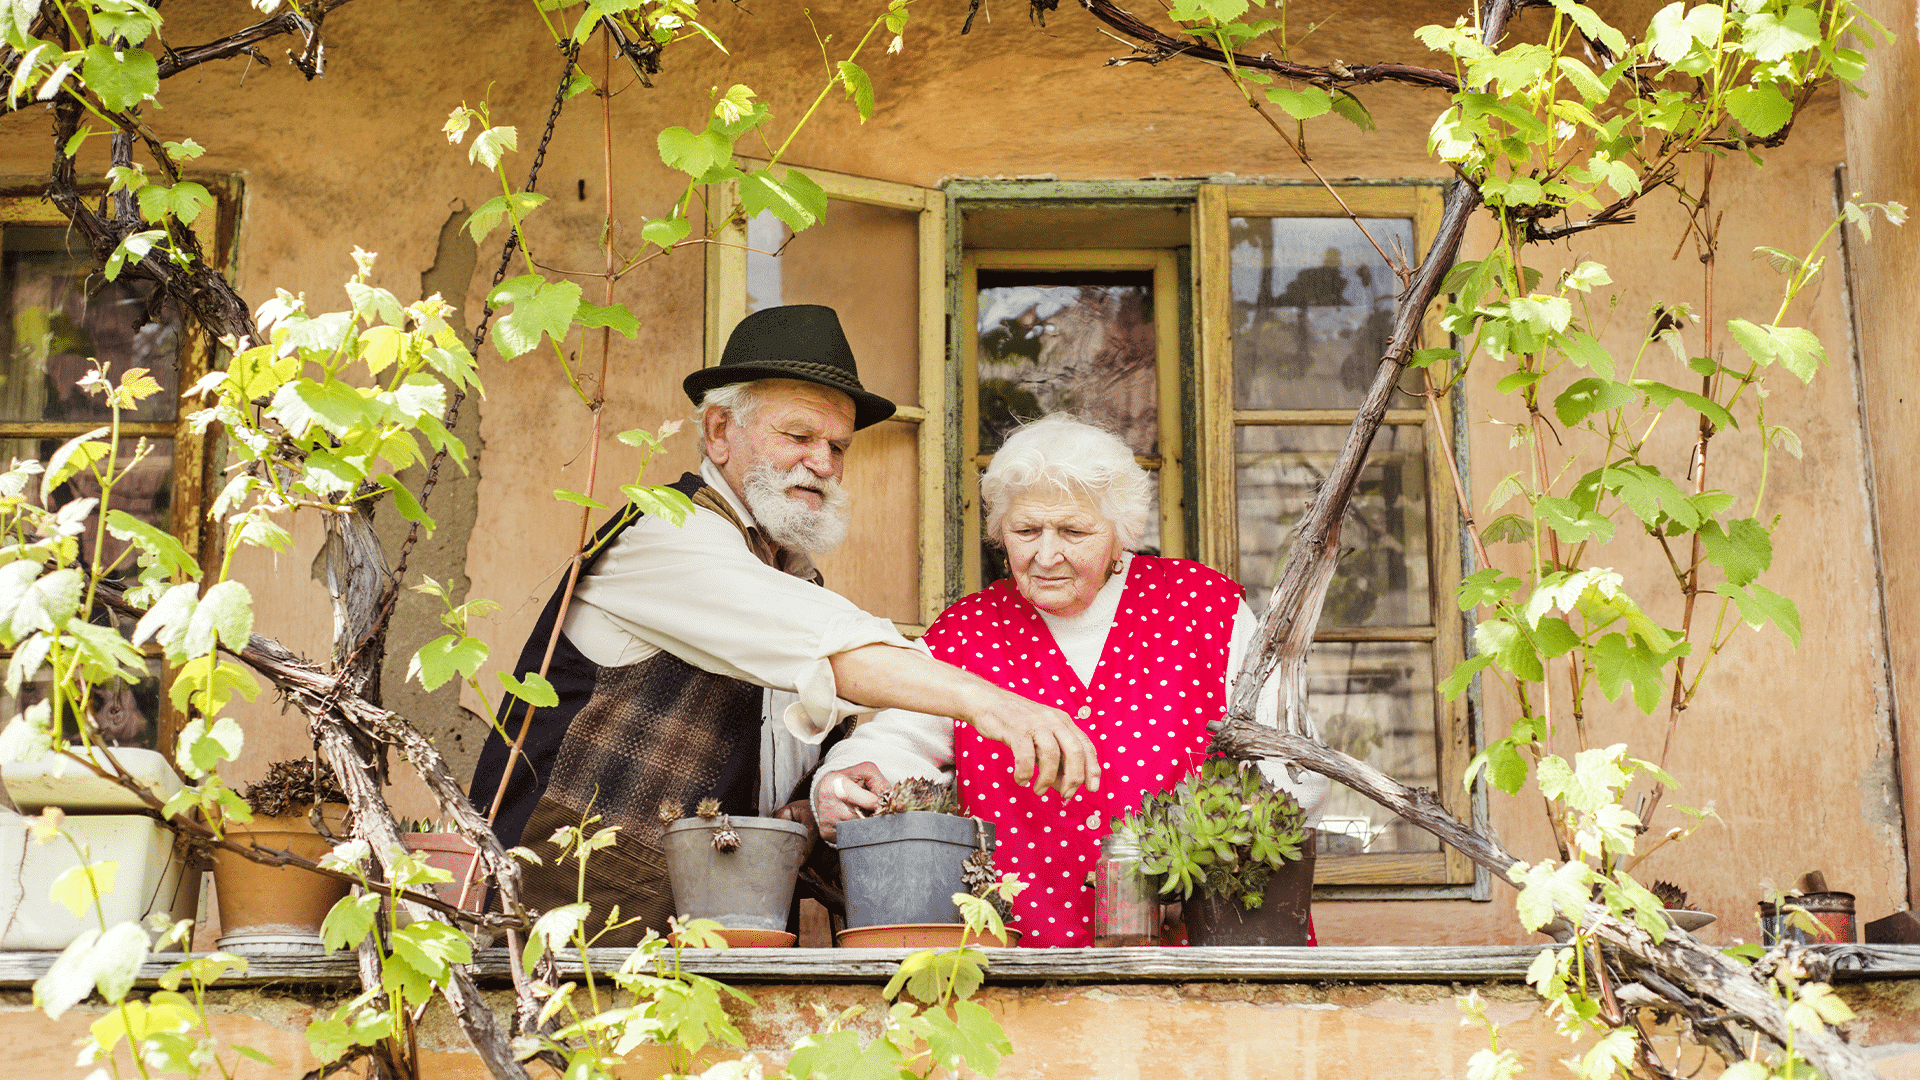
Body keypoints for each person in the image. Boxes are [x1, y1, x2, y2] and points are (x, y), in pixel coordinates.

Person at [468, 306, 1099, 942]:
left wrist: (816, 800)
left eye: (837, 447)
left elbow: (767, 751)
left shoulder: (788, 576)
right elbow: (838, 645)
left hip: (698, 948)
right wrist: (991, 703)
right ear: (719, 431)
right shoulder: (668, 533)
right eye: (798, 436)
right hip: (564, 924)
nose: (821, 462)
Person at [812, 414, 1328, 947]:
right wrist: (846, 782)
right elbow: (896, 746)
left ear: (1120, 535)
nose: (1046, 554)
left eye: (1074, 532)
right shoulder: (967, 632)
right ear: (999, 531)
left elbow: (1295, 765)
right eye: (1026, 531)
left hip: (1204, 955)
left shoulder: (1204, 609)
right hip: (1020, 964)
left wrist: (1210, 853)